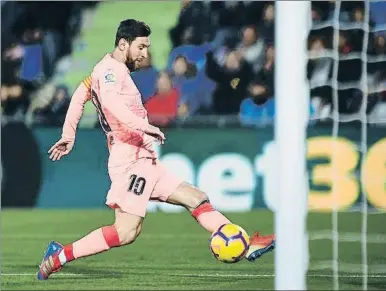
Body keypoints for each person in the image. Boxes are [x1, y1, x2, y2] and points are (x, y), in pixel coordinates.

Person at [37, 19, 275, 281]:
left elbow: (80, 95)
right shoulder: (110, 72)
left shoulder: (104, 71)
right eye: (140, 47)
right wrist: (144, 125)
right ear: (123, 44)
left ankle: (248, 245)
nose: (144, 54)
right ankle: (57, 257)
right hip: (129, 162)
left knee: (196, 197)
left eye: (147, 47)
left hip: (143, 159)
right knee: (126, 232)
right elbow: (114, 106)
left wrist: (68, 134)